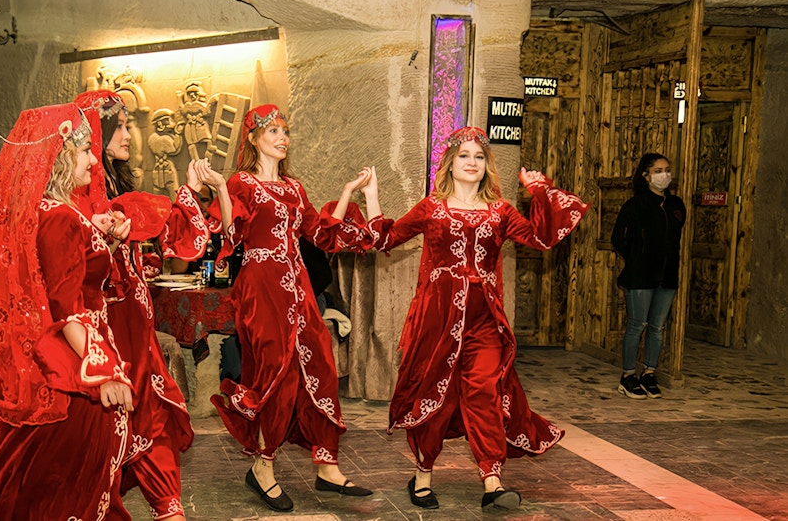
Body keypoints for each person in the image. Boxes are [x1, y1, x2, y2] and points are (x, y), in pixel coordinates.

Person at [366, 127, 588, 512]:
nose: (472, 163)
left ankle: (492, 481)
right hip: (436, 320)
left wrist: (538, 191)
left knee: (484, 391)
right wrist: (370, 196)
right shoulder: (431, 207)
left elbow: (541, 237)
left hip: (485, 321)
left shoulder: (500, 211)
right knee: (434, 395)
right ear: (450, 163)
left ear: (487, 166)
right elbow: (385, 239)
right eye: (465, 156)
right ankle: (422, 474)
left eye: (479, 157)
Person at [205, 104, 379, 512]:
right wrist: (220, 190)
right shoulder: (241, 182)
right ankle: (262, 469)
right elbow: (232, 233)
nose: (282, 138)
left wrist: (349, 193)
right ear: (253, 138)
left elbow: (318, 232)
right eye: (273, 131)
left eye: (286, 131)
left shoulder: (294, 188)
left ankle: (327, 467)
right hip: (260, 286)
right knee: (275, 373)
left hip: (296, 284)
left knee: (320, 364)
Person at [0, 102, 134, 520]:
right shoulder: (60, 217)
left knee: (47, 480)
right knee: (65, 483)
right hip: (72, 365)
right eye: (83, 152)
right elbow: (66, 307)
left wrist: (104, 241)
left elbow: (72, 277)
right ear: (59, 157)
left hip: (63, 355)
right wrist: (102, 371)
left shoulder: (53, 211)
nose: (93, 159)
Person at [76, 89, 207, 521]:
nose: (129, 133)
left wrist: (138, 260)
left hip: (136, 326)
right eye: (120, 126)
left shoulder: (118, 182)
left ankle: (169, 509)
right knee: (106, 431)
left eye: (129, 124)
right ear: (96, 132)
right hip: (107, 330)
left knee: (152, 417)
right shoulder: (77, 197)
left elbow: (152, 227)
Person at [611, 153, 686, 400]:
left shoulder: (676, 206)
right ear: (646, 176)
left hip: (667, 277)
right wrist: (637, 259)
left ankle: (649, 372)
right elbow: (619, 240)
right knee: (637, 325)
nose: (664, 175)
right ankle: (628, 375)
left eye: (666, 170)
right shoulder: (635, 205)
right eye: (657, 170)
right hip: (640, 277)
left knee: (657, 327)